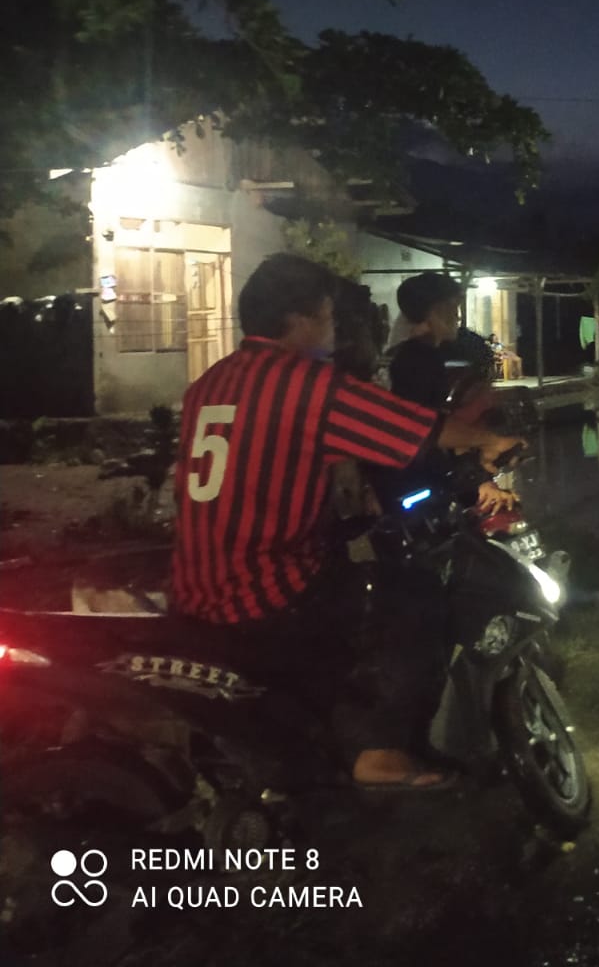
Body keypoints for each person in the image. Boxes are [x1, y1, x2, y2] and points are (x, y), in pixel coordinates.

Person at [170, 254, 522, 790]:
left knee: (346, 564)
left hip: (197, 584)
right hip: (265, 589)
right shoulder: (307, 384)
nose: (335, 330)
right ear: (300, 319)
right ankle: (380, 749)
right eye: (329, 316)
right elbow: (414, 429)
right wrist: (488, 442)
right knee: (414, 596)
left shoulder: (210, 383)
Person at [387, 272, 515, 511]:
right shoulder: (418, 360)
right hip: (417, 483)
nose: (457, 316)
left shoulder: (419, 354)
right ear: (433, 311)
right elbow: (425, 427)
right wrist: (489, 448)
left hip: (421, 476)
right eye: (452, 307)